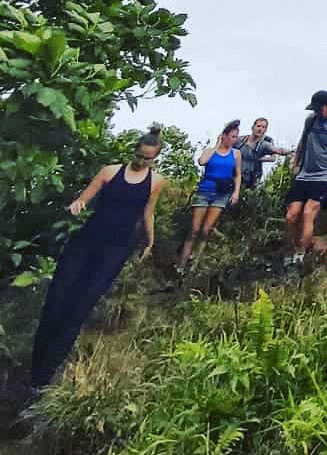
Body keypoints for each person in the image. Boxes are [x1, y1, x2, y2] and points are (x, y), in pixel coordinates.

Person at [30, 126, 166, 389]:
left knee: (79, 307)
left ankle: (44, 377)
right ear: (134, 151)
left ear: (155, 158)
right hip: (86, 242)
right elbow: (84, 197)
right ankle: (35, 364)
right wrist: (77, 205)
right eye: (140, 156)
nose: (143, 162)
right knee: (56, 301)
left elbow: (148, 212)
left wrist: (151, 239)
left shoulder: (156, 182)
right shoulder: (110, 171)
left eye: (149, 159)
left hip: (114, 251)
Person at [283, 91, 327, 269]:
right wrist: (296, 163)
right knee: (291, 216)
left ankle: (302, 256)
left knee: (308, 213)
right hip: (305, 174)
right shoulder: (311, 121)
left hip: (325, 176)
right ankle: (293, 250)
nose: (316, 112)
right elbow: (302, 143)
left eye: (319, 109)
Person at [177, 120, 241, 273]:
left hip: (222, 194)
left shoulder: (236, 153)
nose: (234, 140)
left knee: (206, 230)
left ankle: (194, 266)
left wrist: (236, 192)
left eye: (236, 137)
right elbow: (202, 161)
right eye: (232, 136)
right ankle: (181, 264)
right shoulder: (211, 151)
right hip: (205, 191)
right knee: (194, 229)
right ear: (224, 136)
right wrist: (217, 146)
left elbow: (237, 174)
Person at [234, 117, 292, 190]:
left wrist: (290, 152)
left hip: (252, 179)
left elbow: (277, 151)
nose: (260, 129)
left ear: (265, 130)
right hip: (236, 176)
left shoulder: (264, 145)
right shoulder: (240, 140)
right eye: (258, 126)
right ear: (253, 127)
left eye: (263, 127)